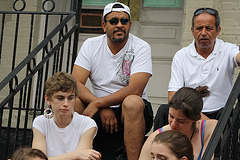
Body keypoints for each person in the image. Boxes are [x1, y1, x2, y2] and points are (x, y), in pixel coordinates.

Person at [72, 2, 153, 160]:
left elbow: (135, 89)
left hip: (131, 111)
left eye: (124, 21)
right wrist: (100, 105)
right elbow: (75, 83)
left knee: (133, 102)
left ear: (129, 25)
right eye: (114, 21)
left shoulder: (141, 47)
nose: (120, 25)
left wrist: (98, 103)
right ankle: (72, 155)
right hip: (99, 107)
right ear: (104, 25)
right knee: (72, 101)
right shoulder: (91, 45)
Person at [154, 7, 240, 130]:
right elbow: (173, 97)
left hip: (220, 112)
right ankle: (159, 148)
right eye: (199, 28)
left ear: (218, 30)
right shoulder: (182, 55)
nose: (204, 33)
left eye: (209, 28)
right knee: (164, 111)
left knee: (231, 114)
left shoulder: (227, 49)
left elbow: (237, 57)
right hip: (189, 112)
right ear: (192, 31)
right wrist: (205, 120)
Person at [32, 72, 101, 160]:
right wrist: (76, 155)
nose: (66, 104)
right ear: (48, 99)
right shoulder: (40, 122)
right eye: (60, 98)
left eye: (70, 98)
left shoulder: (87, 124)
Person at [139, 86, 218, 160]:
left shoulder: (209, 129)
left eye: (181, 121)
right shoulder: (156, 136)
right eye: (171, 116)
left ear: (196, 118)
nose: (173, 124)